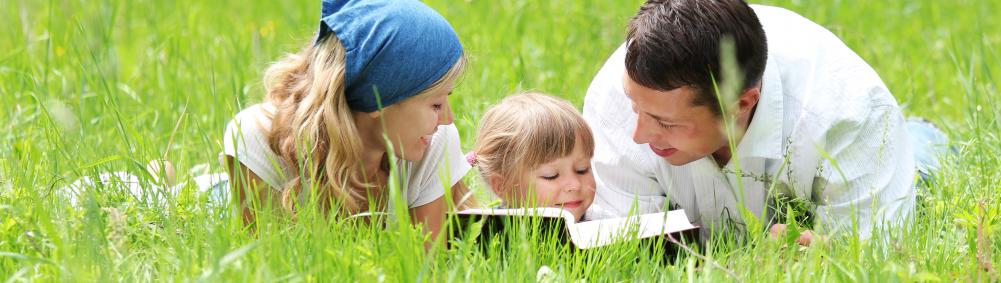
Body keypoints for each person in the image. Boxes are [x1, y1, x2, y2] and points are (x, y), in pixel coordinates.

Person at [583, 0, 948, 244]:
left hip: (844, 150)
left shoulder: (847, 114)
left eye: (664, 122)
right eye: (636, 109)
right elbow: (620, 244)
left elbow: (874, 251)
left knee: (915, 172)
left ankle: (923, 141)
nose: (639, 134)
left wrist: (827, 255)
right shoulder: (613, 97)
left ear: (740, 104)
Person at [222, 0, 471, 240]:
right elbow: (264, 264)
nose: (448, 120)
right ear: (379, 97)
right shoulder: (258, 140)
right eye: (436, 105)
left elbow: (427, 267)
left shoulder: (433, 144)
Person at [467, 93, 596, 221]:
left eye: (582, 169)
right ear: (502, 185)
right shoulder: (489, 236)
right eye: (551, 176)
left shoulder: (602, 227)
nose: (575, 184)